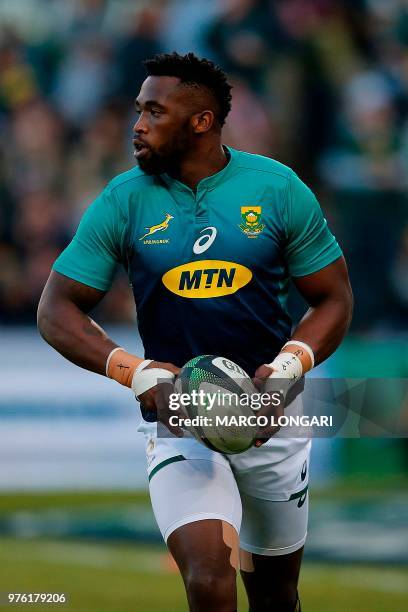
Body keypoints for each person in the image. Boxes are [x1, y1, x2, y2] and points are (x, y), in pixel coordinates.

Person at [38, 52, 353, 612]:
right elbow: (56, 308)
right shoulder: (123, 198)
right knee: (209, 578)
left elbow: (333, 299)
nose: (137, 124)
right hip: (178, 421)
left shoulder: (278, 189)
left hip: (269, 419)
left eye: (154, 112)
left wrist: (285, 370)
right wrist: (135, 374)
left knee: (276, 594)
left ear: (201, 121)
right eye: (138, 110)